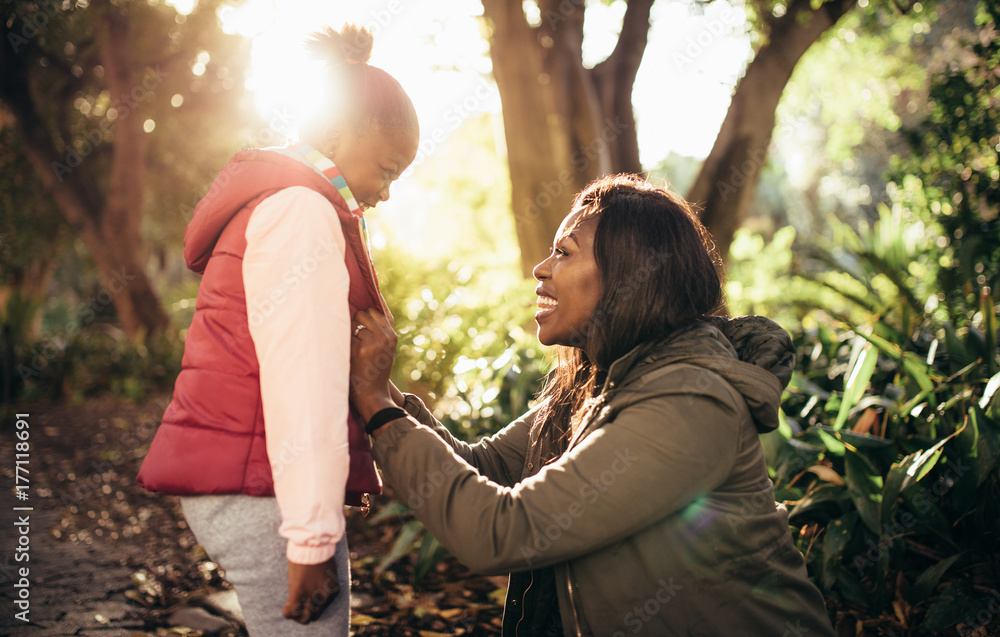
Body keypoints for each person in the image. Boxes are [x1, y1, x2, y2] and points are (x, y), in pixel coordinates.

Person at [349, 174, 837, 636]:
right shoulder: (597, 381)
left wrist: (377, 407)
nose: (540, 269)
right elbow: (488, 466)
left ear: (630, 277)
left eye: (563, 252)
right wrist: (377, 388)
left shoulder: (690, 401)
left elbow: (506, 531)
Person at [136, 24, 419, 635]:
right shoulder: (302, 213)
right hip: (257, 482)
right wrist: (312, 543)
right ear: (336, 134)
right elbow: (303, 387)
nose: (389, 192)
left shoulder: (286, 203)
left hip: (250, 478)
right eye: (388, 168)